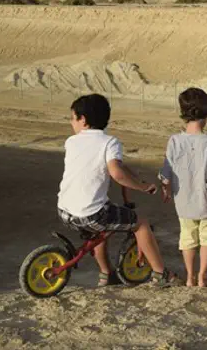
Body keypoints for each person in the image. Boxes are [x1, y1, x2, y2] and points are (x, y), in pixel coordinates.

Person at [57, 93, 179, 287]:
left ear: (84, 120)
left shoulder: (71, 142)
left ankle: (106, 274)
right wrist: (141, 186)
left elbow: (118, 167)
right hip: (91, 214)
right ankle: (160, 272)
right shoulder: (109, 142)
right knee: (140, 223)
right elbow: (116, 172)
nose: (71, 122)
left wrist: (137, 178)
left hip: (65, 210)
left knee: (103, 226)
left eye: (73, 118)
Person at [158, 88, 207, 287]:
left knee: (187, 238)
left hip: (183, 200)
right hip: (205, 201)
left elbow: (167, 170)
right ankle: (202, 276)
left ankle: (190, 276)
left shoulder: (175, 141)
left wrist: (166, 189)